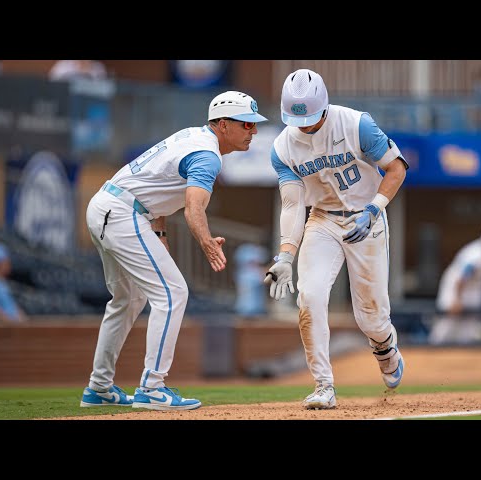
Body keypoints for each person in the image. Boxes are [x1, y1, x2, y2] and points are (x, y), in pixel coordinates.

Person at [80, 90, 267, 409]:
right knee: (173, 293)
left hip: (111, 207)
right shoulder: (207, 155)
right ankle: (152, 387)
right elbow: (194, 210)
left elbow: (161, 183)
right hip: (123, 213)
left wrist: (161, 231)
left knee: (129, 299)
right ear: (223, 125)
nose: (254, 131)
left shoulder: (193, 137)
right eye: (247, 124)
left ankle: (99, 388)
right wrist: (207, 243)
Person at [264, 68, 409, 409]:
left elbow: (397, 168)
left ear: (324, 107)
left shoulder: (357, 124)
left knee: (370, 318)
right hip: (323, 219)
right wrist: (285, 255)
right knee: (309, 297)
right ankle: (323, 386)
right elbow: (292, 204)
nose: (304, 125)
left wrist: (374, 208)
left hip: (366, 218)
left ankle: (386, 349)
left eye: (310, 118)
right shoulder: (282, 147)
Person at [233, 243, 268, 317]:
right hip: (249, 312)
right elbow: (268, 275)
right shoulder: (248, 274)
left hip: (246, 310)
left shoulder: (241, 273)